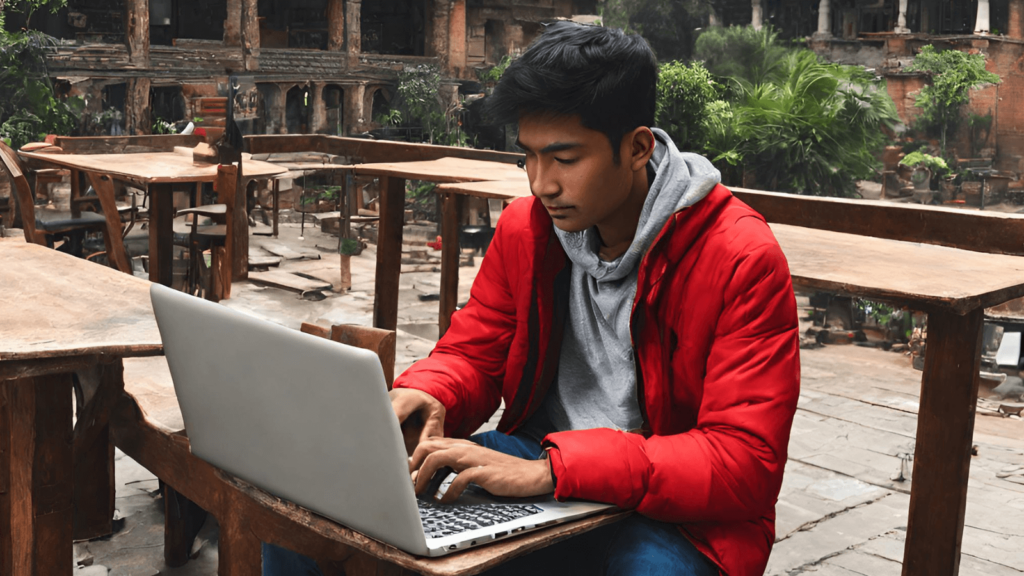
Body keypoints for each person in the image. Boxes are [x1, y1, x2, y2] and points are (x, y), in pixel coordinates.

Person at [264, 21, 799, 576]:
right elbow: (473, 351)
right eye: (529, 158)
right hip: (536, 458)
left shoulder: (739, 258)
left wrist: (551, 472)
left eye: (565, 159)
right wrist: (430, 395)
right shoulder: (529, 229)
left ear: (638, 148)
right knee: (312, 511)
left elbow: (744, 463)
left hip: (678, 514)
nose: (541, 184)